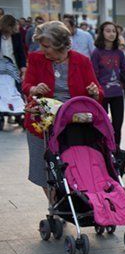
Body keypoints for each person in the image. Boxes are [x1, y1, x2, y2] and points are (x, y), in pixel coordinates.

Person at [22, 21, 102, 199]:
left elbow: (97, 90)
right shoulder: (36, 59)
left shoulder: (82, 61)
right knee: (43, 169)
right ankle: (56, 207)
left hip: (72, 122)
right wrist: (33, 89)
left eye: (46, 46)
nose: (43, 50)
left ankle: (73, 202)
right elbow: (26, 84)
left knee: (73, 166)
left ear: (60, 43)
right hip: (42, 123)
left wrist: (94, 92)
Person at [91, 21, 125, 148]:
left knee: (117, 125)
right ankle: (102, 150)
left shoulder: (119, 53)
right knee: (102, 124)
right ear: (102, 33)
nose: (111, 34)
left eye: (114, 31)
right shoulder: (96, 53)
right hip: (102, 94)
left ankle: (116, 151)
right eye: (108, 31)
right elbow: (93, 74)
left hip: (117, 93)